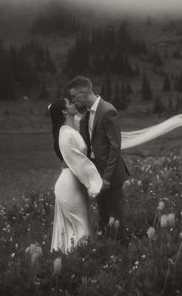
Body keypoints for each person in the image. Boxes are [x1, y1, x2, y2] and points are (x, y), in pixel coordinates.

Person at [66, 76, 130, 242]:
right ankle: (107, 250)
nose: (73, 100)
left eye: (74, 96)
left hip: (111, 175)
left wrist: (107, 177)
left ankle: (123, 249)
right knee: (103, 215)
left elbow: (115, 147)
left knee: (116, 216)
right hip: (95, 174)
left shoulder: (108, 111)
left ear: (85, 91)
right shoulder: (87, 113)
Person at [49, 98, 102, 254]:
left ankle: (73, 261)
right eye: (69, 103)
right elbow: (78, 161)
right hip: (69, 185)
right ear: (65, 111)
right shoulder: (64, 134)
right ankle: (79, 260)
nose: (74, 104)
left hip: (75, 182)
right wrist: (95, 183)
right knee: (81, 226)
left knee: (79, 226)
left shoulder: (72, 129)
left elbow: (84, 120)